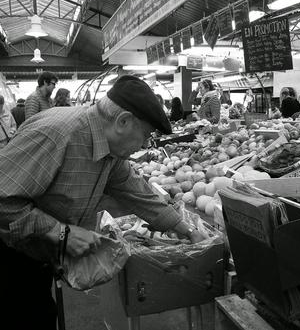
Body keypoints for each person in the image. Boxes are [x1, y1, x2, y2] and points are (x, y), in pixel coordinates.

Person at [0, 75, 207, 330]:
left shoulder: (110, 153)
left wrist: (187, 230)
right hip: (9, 261)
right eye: (145, 135)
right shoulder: (57, 135)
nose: (145, 144)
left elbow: (138, 193)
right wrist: (60, 232)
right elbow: (3, 200)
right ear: (123, 121)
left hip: (37, 261)